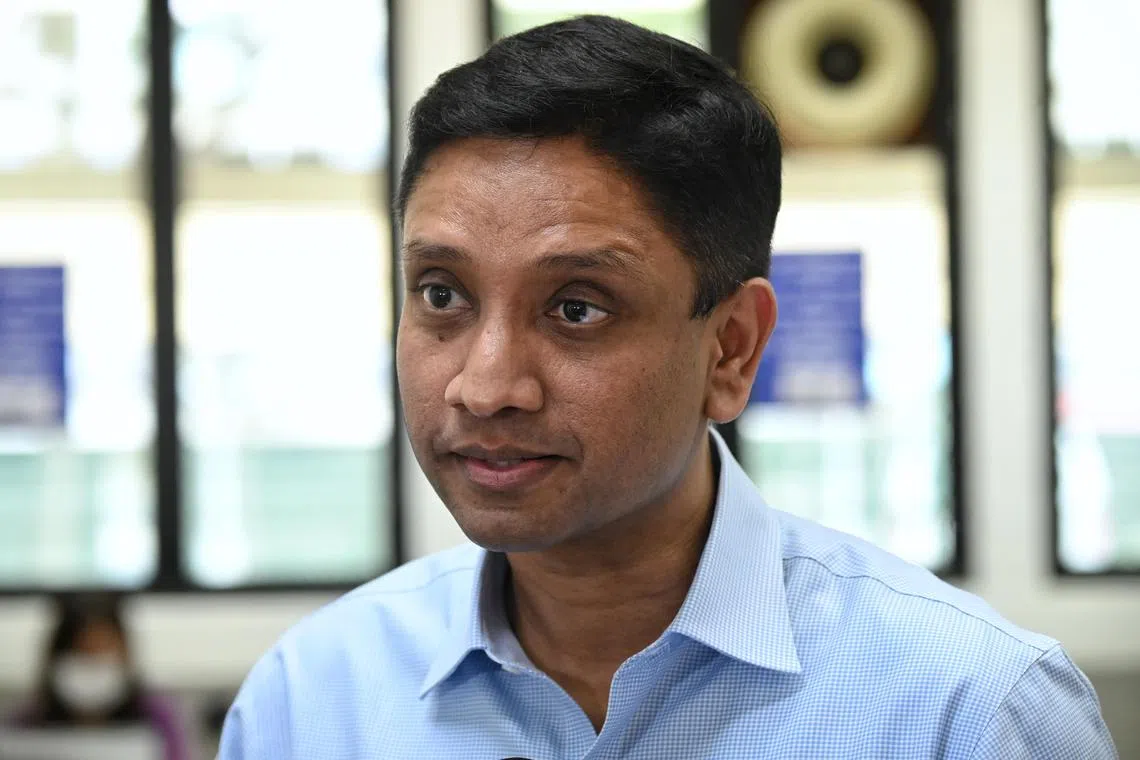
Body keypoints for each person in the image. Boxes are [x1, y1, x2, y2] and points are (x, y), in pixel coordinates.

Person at [218, 15, 1116, 759]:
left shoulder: (965, 712)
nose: (485, 387)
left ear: (731, 350)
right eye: (442, 295)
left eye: (576, 308)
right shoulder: (312, 703)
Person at [13, 593, 192, 760]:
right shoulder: (24, 724)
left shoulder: (160, 719)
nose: (93, 667)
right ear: (57, 659)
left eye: (103, 654)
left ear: (125, 657)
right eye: (83, 654)